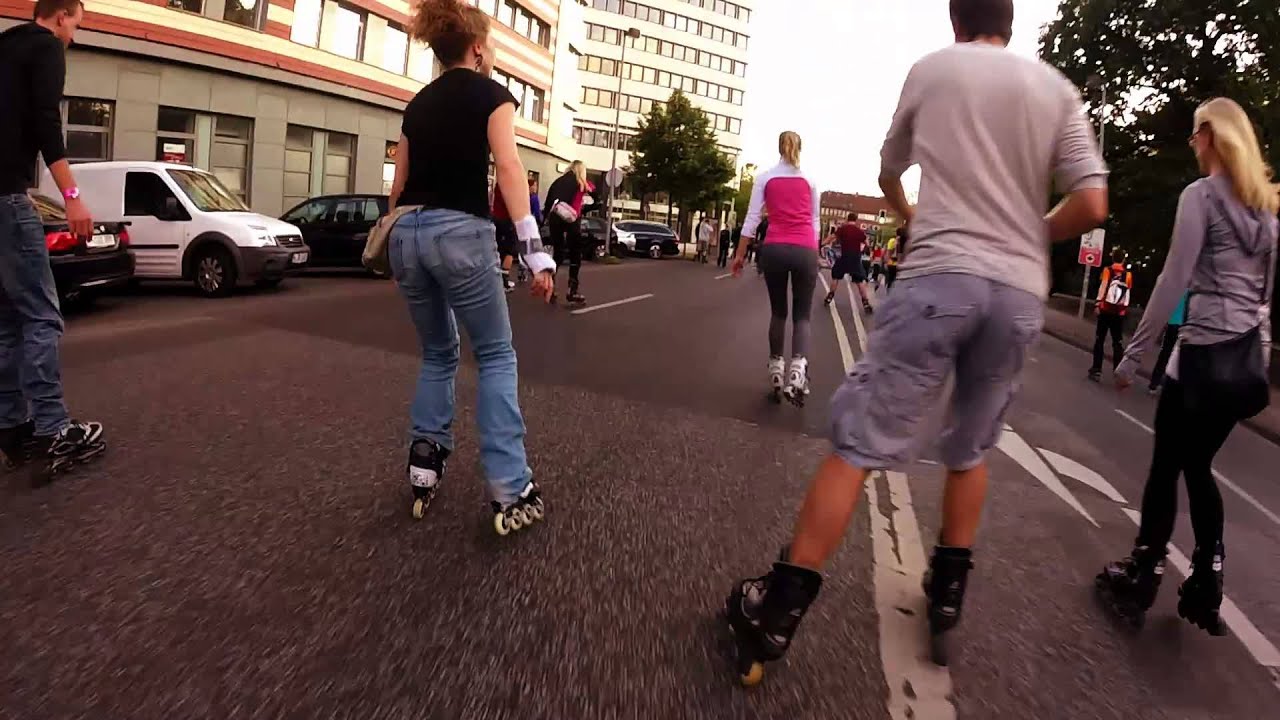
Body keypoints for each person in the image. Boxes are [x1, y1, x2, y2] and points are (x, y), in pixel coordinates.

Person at [722, 0, 1108, 685]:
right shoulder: (1057, 89)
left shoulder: (933, 70)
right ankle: (948, 594)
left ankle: (776, 609)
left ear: (956, 19)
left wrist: (913, 218)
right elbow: (1091, 203)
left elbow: (887, 173)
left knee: (858, 444)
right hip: (1018, 291)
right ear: (1010, 23)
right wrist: (1027, 235)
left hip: (942, 277)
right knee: (973, 445)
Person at [1096, 97, 1278, 635]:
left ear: (1211, 135)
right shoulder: (1267, 212)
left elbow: (1175, 280)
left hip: (1199, 357)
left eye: (1195, 135)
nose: (1192, 144)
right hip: (1245, 362)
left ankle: (1143, 571)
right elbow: (1266, 297)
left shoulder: (1199, 197)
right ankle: (1207, 579)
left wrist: (1134, 353)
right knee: (1199, 466)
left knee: (1166, 466)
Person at [387, 0, 557, 535]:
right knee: (496, 354)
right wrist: (533, 251)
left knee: (438, 352)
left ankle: (424, 460)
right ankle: (510, 486)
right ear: (478, 47)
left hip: (407, 234)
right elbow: (508, 166)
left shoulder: (417, 103)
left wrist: (393, 233)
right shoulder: (492, 95)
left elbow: (399, 181)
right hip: (460, 232)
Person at [0, 0, 106, 486]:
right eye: (76, 25)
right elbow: (48, 126)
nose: (74, 36)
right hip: (6, 197)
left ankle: (12, 426)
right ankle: (52, 427)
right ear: (61, 16)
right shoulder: (45, 49)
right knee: (42, 315)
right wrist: (73, 199)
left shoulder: (6, 47)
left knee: (7, 320)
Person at [730, 131, 821, 406]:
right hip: (805, 249)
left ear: (778, 148)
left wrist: (740, 254)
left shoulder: (764, 179)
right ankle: (797, 373)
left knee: (779, 312)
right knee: (802, 316)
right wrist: (812, 253)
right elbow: (815, 222)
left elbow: (752, 219)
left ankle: (776, 373)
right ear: (799, 149)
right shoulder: (811, 181)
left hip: (775, 249)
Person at [544, 161, 594, 304]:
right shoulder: (581, 182)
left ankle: (551, 287)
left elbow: (548, 202)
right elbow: (597, 200)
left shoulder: (558, 181)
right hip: (572, 219)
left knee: (558, 253)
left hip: (555, 217)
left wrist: (544, 219)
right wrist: (585, 210)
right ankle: (572, 290)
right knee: (575, 253)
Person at [1087, 247, 1133, 382]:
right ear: (1123, 259)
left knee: (1099, 339)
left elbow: (1103, 286)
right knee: (1117, 342)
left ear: (1113, 258)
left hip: (1105, 309)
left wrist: (1097, 303)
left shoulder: (1108, 270)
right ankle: (1118, 370)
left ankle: (1096, 370)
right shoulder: (1128, 275)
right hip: (1119, 312)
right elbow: (1127, 292)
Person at [823, 213, 874, 314]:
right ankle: (865, 302)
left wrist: (823, 243)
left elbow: (831, 237)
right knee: (859, 280)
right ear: (856, 220)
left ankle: (830, 296)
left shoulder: (843, 229)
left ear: (847, 219)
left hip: (844, 256)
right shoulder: (859, 232)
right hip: (855, 258)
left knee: (836, 276)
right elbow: (867, 244)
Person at [1147, 290, 1189, 395]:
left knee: (1165, 354)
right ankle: (1163, 384)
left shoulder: (1178, 288)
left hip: (1173, 323)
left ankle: (1154, 383)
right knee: (1177, 357)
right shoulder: (1192, 290)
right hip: (1182, 326)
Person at [491, 180, 518, 292]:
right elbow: (512, 203)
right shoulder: (510, 183)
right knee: (510, 250)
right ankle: (504, 281)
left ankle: (496, 279)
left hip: (496, 218)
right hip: (507, 219)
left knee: (498, 248)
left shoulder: (498, 184)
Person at [884, 227, 905, 291]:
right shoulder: (905, 241)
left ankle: (889, 292)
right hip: (901, 263)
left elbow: (889, 252)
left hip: (892, 262)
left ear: (896, 233)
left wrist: (886, 262)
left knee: (890, 279)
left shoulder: (892, 241)